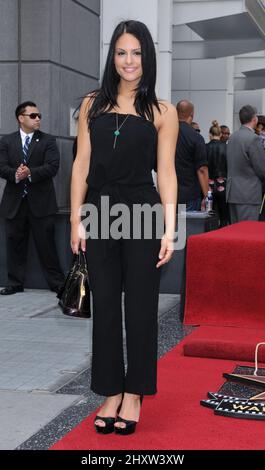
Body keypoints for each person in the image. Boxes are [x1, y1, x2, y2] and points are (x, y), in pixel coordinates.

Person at [70, 20, 178, 435]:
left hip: (142, 213)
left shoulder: (161, 111)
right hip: (98, 213)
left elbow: (166, 174)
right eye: (121, 52)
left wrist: (168, 229)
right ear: (112, 57)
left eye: (136, 52)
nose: (128, 61)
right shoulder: (92, 105)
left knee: (139, 308)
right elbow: (81, 165)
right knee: (106, 310)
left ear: (146, 57)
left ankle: (135, 394)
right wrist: (76, 219)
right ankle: (111, 391)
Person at [0, 101, 65, 295]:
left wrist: (29, 173)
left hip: (41, 203)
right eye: (33, 116)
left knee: (47, 246)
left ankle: (58, 284)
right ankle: (14, 283)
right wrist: (15, 174)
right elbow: (1, 166)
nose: (38, 119)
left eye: (39, 116)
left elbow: (53, 166)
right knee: (15, 245)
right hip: (15, 203)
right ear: (21, 118)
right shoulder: (6, 141)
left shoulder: (48, 140)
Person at [226, 105, 265, 223]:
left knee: (236, 234)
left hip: (233, 192)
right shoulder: (254, 139)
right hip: (249, 194)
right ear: (254, 119)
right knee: (247, 234)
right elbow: (262, 169)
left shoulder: (232, 137)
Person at [175, 100, 208, 211]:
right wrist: (206, 195)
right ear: (192, 115)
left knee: (169, 227)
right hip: (189, 195)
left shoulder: (165, 134)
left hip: (168, 194)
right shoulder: (196, 137)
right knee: (186, 227)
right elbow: (202, 169)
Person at [206, 120, 229, 226]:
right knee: (224, 213)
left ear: (210, 135)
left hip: (208, 184)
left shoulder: (205, 147)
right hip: (223, 184)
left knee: (209, 213)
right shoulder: (226, 147)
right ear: (220, 134)